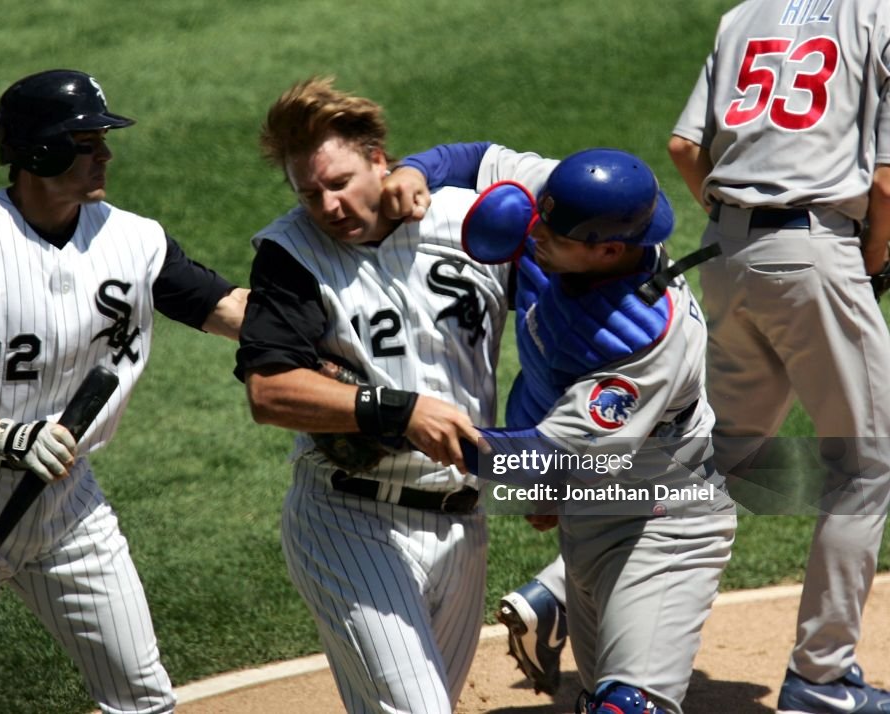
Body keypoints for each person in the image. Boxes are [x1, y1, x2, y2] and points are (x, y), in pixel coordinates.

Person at [0, 69, 247, 713]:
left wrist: (324, 323)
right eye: (87, 140)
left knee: (143, 695)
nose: (105, 153)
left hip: (70, 501)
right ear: (39, 151)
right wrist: (5, 434)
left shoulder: (133, 240)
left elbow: (228, 310)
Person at [385, 144, 738, 713]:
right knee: (598, 693)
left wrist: (397, 424)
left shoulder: (641, 342)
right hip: (589, 510)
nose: (536, 235)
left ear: (610, 249)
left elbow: (541, 457)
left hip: (663, 522)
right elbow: (475, 158)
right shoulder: (575, 205)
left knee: (628, 705)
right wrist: (413, 171)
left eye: (554, 234)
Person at [235, 77, 512, 713]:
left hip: (462, 520)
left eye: (340, 183)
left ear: (381, 162)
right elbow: (268, 391)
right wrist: (398, 410)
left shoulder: (467, 224)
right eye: (310, 193)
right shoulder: (291, 255)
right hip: (350, 520)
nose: (328, 205)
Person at [667, 0, 890, 711]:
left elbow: (682, 149)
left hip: (725, 255)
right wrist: (871, 260)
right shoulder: (878, 16)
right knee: (864, 462)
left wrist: (744, 232)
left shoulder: (744, 14)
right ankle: (821, 678)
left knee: (716, 451)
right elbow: (885, 181)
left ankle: (553, 593)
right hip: (814, 254)